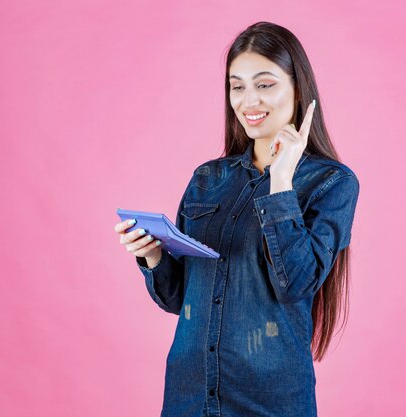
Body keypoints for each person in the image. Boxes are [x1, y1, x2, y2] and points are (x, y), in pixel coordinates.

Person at [114, 21, 360, 417]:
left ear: (299, 89)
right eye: (237, 85)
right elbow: (181, 298)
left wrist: (280, 184)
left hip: (270, 400)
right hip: (189, 395)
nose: (249, 100)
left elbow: (296, 284)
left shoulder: (331, 182)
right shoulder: (208, 178)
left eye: (264, 84)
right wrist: (153, 257)